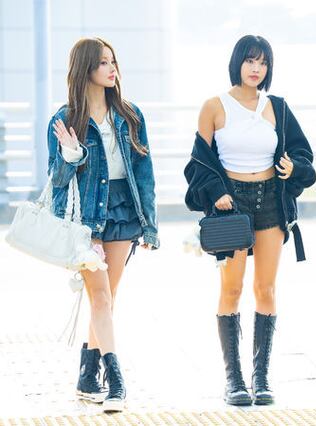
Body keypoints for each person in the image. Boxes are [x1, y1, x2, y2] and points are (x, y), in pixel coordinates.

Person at [184, 35, 316, 406]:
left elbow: (303, 152)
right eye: (250, 61)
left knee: (266, 289)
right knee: (232, 288)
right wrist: (216, 191)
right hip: (232, 203)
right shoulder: (214, 106)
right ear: (237, 63)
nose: (256, 69)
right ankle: (234, 379)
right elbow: (198, 162)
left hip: (271, 199)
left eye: (263, 63)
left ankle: (261, 377)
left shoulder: (278, 107)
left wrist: (293, 167)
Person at [47, 37, 159, 413]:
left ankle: (87, 372)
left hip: (124, 209)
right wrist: (71, 154)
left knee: (108, 297)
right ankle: (116, 380)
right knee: (101, 298)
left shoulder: (130, 115)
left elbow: (144, 172)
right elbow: (57, 178)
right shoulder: (65, 119)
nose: (112, 69)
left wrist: (149, 225)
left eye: (113, 62)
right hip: (86, 218)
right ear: (86, 69)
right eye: (103, 63)